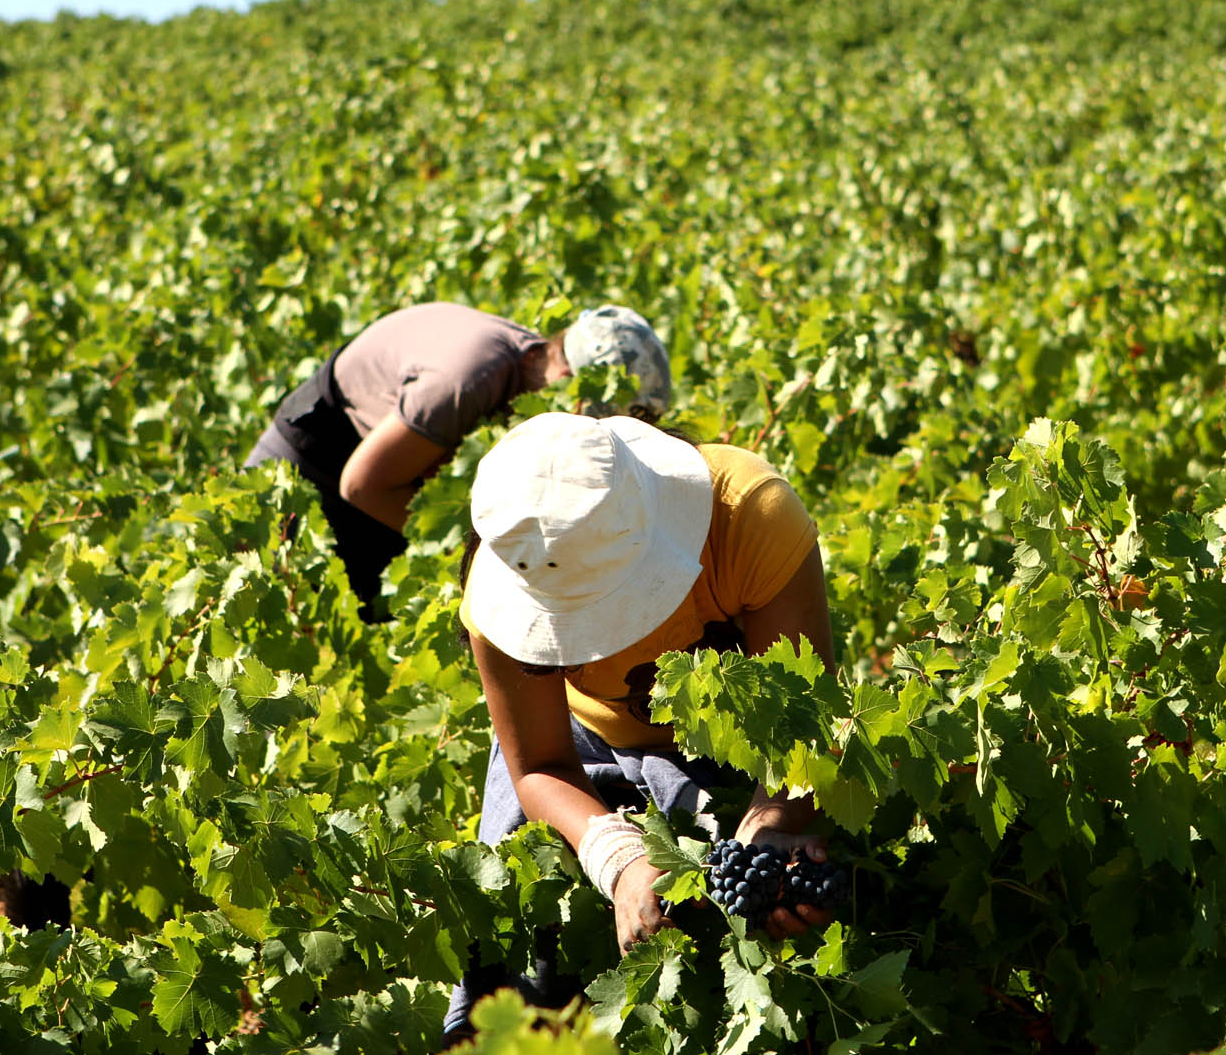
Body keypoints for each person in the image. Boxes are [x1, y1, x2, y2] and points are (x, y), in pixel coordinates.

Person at [442, 411, 837, 1040]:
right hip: (580, 746)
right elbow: (540, 765)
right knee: (524, 947)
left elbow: (800, 728)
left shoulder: (750, 518)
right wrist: (617, 857)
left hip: (741, 746)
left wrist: (773, 820)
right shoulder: (501, 596)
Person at [247, 303, 671, 613]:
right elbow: (362, 485)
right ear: (566, 382)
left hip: (392, 476)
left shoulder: (530, 369)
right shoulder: (465, 381)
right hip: (311, 469)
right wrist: (483, 560)